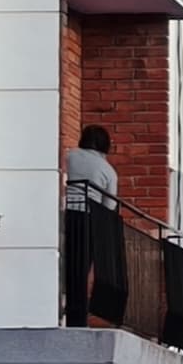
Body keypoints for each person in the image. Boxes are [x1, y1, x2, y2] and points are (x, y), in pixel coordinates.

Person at [60, 126, 123, 328]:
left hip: (64, 214)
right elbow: (109, 206)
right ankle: (76, 319)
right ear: (106, 145)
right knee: (81, 269)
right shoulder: (108, 171)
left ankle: (56, 305)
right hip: (88, 219)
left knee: (61, 263)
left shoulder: (69, 156)